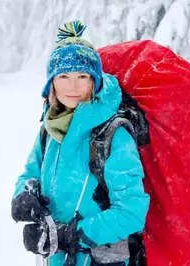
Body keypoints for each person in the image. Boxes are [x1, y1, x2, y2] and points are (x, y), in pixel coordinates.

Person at [11, 21, 150, 266]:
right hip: (55, 259)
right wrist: (24, 194)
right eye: (63, 76)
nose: (72, 86)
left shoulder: (113, 134)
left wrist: (70, 236)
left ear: (94, 81)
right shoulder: (49, 128)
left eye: (82, 76)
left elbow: (131, 212)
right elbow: (31, 172)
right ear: (51, 83)